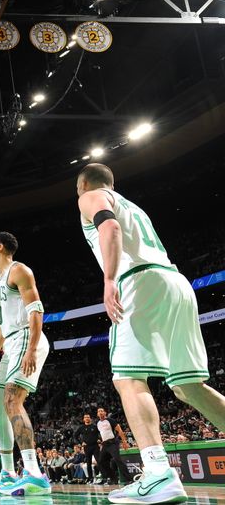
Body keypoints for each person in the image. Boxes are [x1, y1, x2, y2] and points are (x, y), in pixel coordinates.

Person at [76, 163, 225, 503]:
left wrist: (109, 279)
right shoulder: (134, 206)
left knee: (127, 379)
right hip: (174, 282)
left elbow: (109, 227)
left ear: (83, 184)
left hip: (139, 283)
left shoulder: (91, 196)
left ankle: (158, 473)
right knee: (189, 387)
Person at [0, 232, 51, 496]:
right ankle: (8, 473)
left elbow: (36, 310)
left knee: (12, 400)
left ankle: (34, 473)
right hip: (9, 342)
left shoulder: (19, 270)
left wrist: (32, 348)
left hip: (25, 336)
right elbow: (1, 323)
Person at [96, 407, 131, 484]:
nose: (100, 412)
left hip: (113, 443)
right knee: (101, 462)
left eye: (102, 411)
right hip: (105, 444)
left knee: (118, 460)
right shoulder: (98, 423)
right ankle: (113, 478)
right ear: (97, 414)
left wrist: (124, 442)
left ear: (105, 413)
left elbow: (119, 430)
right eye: (99, 411)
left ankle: (129, 479)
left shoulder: (110, 420)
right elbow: (102, 434)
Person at [74, 413, 100, 483]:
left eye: (88, 417)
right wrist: (80, 443)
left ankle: (102, 476)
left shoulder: (95, 426)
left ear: (90, 418)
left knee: (99, 461)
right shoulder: (81, 428)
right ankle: (90, 478)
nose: (87, 418)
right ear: (83, 419)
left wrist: (99, 439)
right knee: (88, 463)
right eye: (85, 417)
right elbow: (75, 436)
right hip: (87, 447)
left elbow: (101, 433)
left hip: (95, 446)